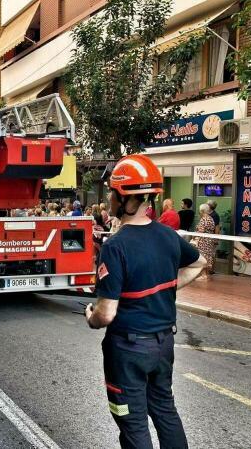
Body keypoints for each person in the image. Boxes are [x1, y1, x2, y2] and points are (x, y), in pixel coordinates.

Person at [84, 154, 205, 449]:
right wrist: (168, 287)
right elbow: (199, 262)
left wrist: (91, 315)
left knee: (132, 420)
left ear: (123, 198)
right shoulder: (167, 235)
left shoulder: (115, 247)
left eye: (112, 192)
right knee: (165, 410)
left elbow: (107, 312)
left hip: (128, 348)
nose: (110, 198)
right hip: (163, 344)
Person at [194, 203, 216, 281]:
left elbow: (201, 230)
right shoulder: (211, 218)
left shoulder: (204, 219)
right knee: (207, 257)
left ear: (202, 211)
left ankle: (204, 275)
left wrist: (195, 234)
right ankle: (206, 275)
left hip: (203, 241)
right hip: (209, 241)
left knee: (203, 257)